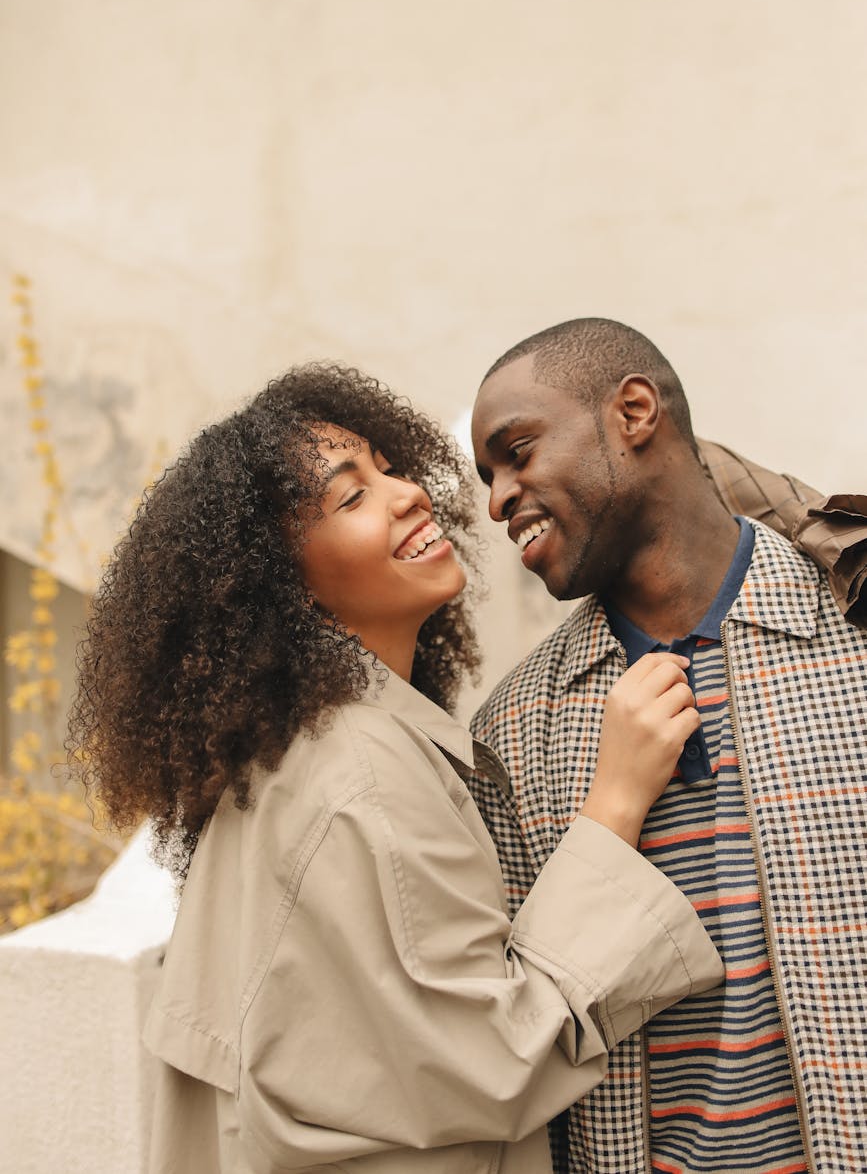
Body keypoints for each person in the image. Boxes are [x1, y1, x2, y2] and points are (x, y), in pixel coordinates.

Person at [67, 362, 722, 1174]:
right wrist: (616, 802)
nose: (407, 493)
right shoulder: (360, 776)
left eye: (387, 467)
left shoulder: (294, 753)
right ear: (282, 589)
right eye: (350, 497)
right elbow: (492, 1056)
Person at [468, 317, 867, 1174]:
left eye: (517, 451)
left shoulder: (852, 631)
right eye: (488, 476)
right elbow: (516, 1033)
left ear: (634, 411)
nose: (497, 498)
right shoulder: (509, 732)